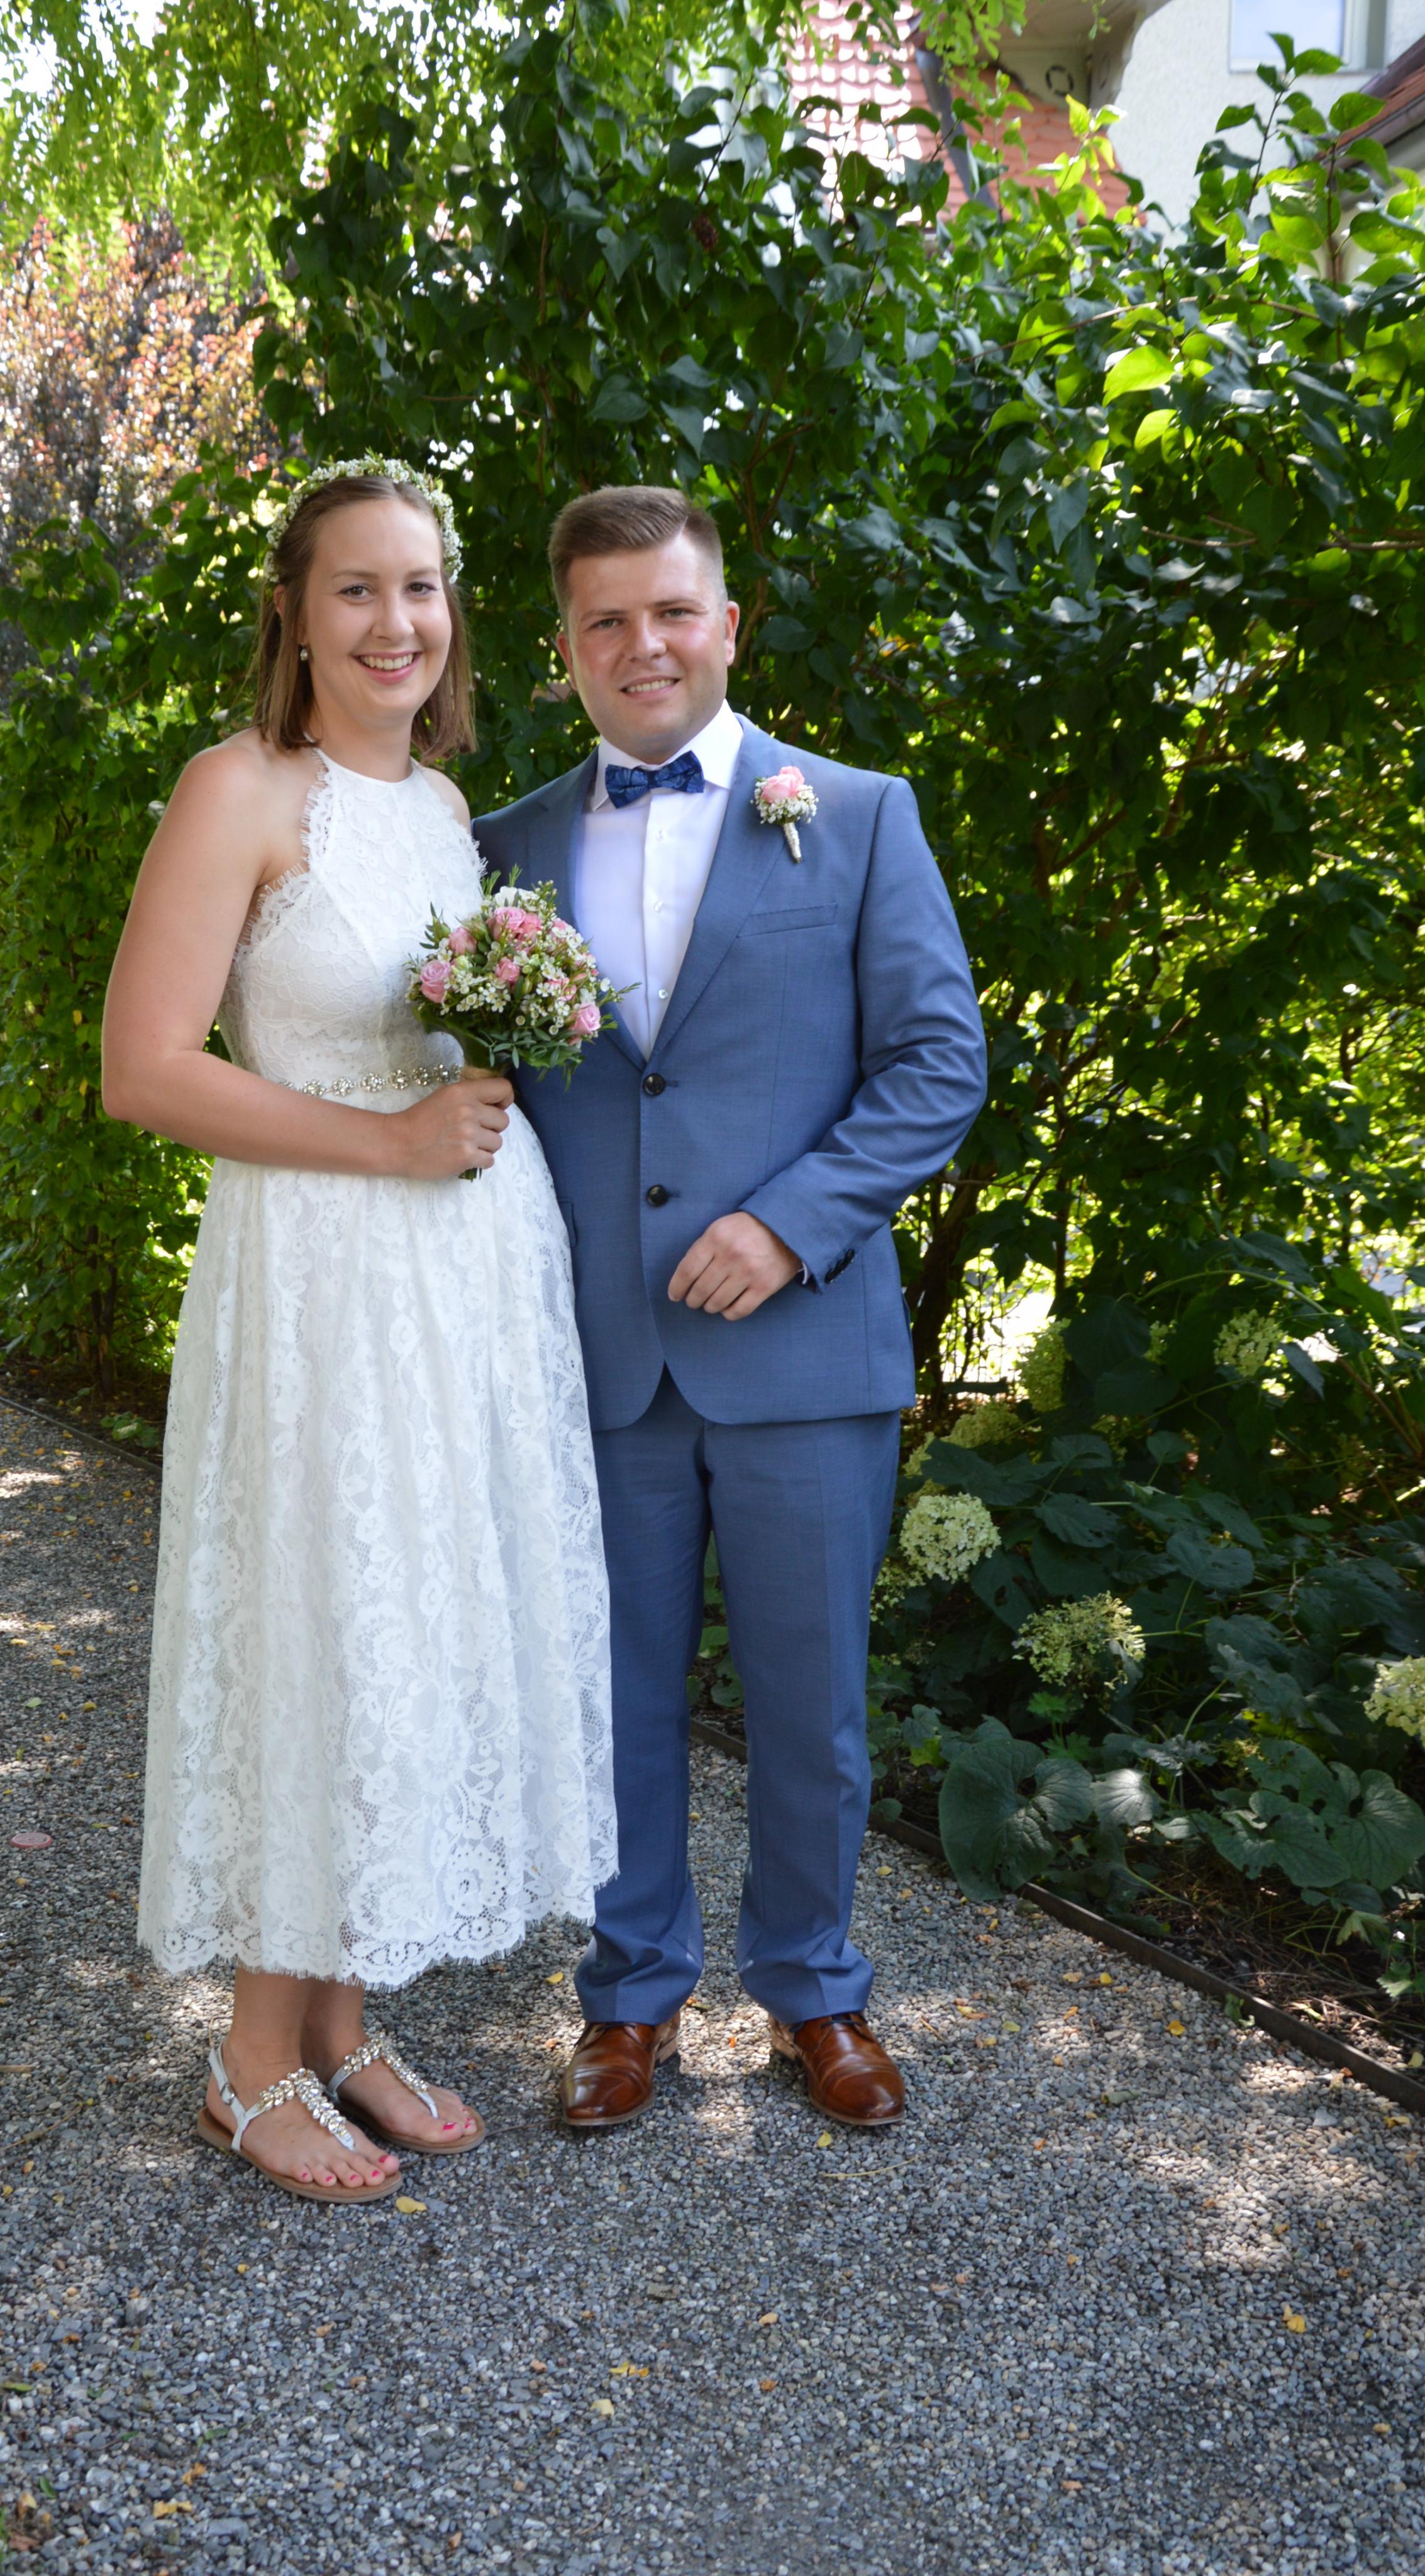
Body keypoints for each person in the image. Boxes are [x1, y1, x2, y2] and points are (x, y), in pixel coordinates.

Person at [103, 458, 616, 2206]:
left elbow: (442, 1034)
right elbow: (146, 1069)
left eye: (421, 586)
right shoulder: (238, 789)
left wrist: (461, 1108)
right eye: (356, 588)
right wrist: (391, 1144)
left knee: (408, 1617)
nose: (396, 621)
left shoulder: (447, 807)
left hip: (461, 1279)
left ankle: (339, 2023)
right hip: (321, 1269)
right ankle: (248, 2062)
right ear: (294, 613)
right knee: (324, 1611)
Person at [475, 486, 986, 2134]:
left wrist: (789, 1224)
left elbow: (938, 1064)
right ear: (566, 648)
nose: (645, 644)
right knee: (611, 1703)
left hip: (801, 1348)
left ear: (727, 626)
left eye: (672, 610)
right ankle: (628, 1998)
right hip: (599, 1356)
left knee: (809, 1706)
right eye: (607, 620)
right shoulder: (504, 852)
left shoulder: (855, 817)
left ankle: (813, 1992)